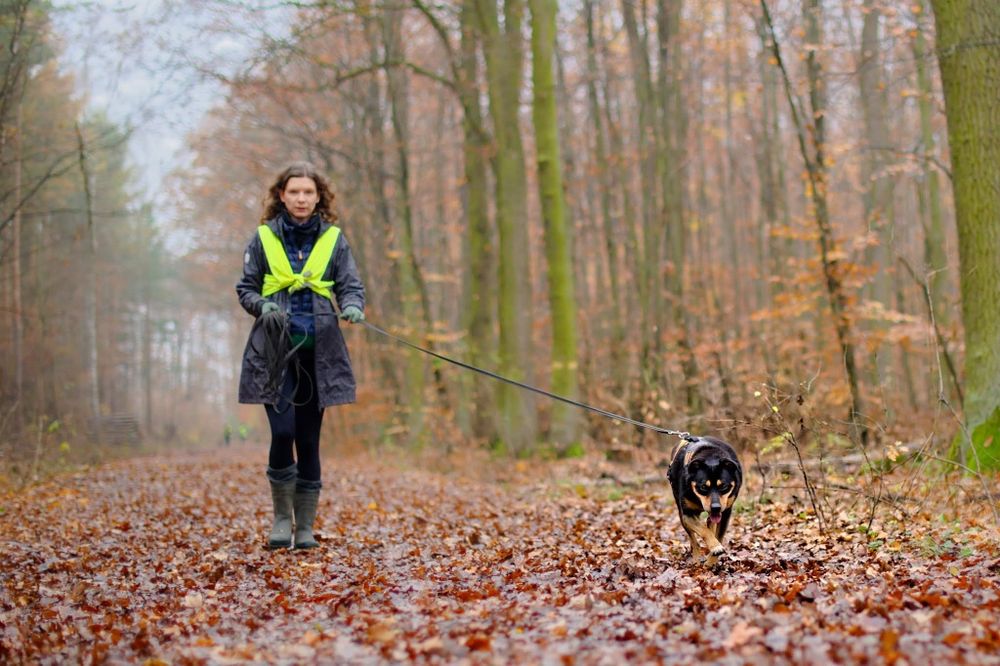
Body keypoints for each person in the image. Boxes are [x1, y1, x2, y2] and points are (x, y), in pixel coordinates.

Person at [236, 162, 366, 549]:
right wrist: (262, 305)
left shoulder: (334, 241)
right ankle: (281, 520)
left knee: (309, 441)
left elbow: (350, 285)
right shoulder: (262, 239)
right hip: (275, 355)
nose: (301, 199)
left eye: (308, 192)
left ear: (318, 197)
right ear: (282, 195)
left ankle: (305, 528)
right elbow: (245, 288)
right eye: (294, 192)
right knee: (284, 432)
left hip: (319, 355)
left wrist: (353, 305)